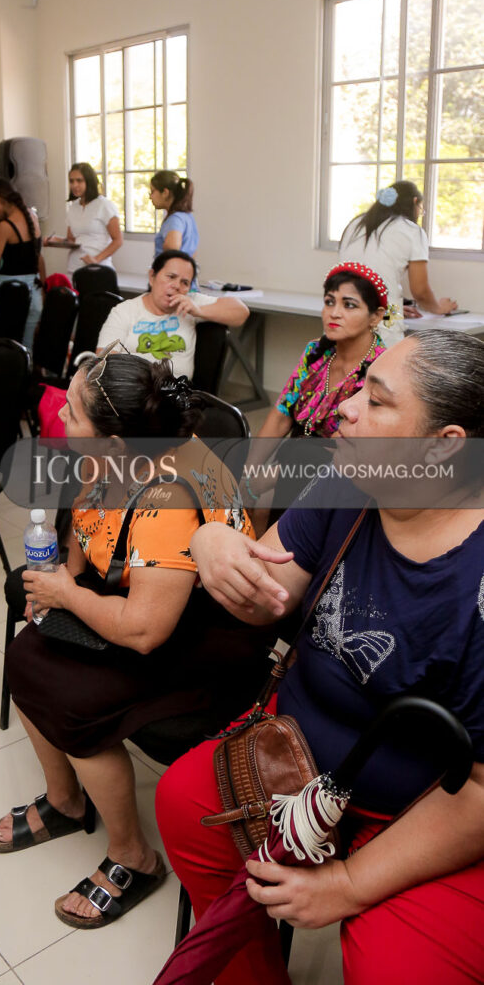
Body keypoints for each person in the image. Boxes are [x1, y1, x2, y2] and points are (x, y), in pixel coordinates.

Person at [156, 328, 484, 985]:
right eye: (358, 384)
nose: (345, 406)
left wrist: (351, 883)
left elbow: (478, 790)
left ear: (442, 447)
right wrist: (217, 542)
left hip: (432, 815)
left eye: (378, 401)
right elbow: (266, 597)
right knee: (182, 806)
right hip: (297, 757)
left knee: (397, 971)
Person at [0, 349, 271, 930]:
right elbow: (86, 534)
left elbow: (145, 631)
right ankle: (66, 802)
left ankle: (134, 858)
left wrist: (67, 595)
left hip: (202, 641)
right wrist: (63, 582)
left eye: (72, 413)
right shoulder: (117, 453)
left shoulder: (168, 497)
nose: (60, 419)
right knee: (26, 653)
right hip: (144, 600)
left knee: (69, 694)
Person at [257, 261, 387, 441]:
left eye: (349, 305)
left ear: (376, 316)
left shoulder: (382, 369)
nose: (334, 313)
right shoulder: (316, 351)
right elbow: (281, 415)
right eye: (329, 302)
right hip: (294, 457)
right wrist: (248, 467)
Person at [96, 250, 248, 380]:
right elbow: (103, 363)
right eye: (171, 277)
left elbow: (241, 312)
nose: (176, 286)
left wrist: (199, 311)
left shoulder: (191, 302)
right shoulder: (125, 311)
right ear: (152, 277)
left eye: (185, 282)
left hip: (175, 398)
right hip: (131, 393)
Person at [339, 181, 457, 345]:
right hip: (383, 323)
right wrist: (439, 308)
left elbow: (367, 279)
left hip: (343, 316)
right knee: (381, 368)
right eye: (421, 209)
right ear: (415, 202)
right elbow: (420, 291)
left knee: (347, 369)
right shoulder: (411, 230)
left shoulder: (355, 225)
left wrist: (397, 308)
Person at [0, 178, 44, 349]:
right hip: (33, 294)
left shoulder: (4, 226)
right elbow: (3, 236)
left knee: (2, 346)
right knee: (26, 347)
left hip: (8, 295)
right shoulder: (31, 216)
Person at [44, 162, 123, 274]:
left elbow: (118, 240)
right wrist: (55, 240)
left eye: (79, 180)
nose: (74, 185)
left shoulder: (105, 205)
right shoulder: (73, 208)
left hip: (98, 269)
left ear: (89, 181)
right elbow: (72, 240)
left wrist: (96, 259)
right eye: (71, 181)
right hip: (74, 269)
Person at [150, 170, 198, 260]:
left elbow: (172, 253)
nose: (150, 196)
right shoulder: (187, 216)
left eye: (152, 191)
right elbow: (193, 252)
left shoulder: (175, 219)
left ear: (165, 193)